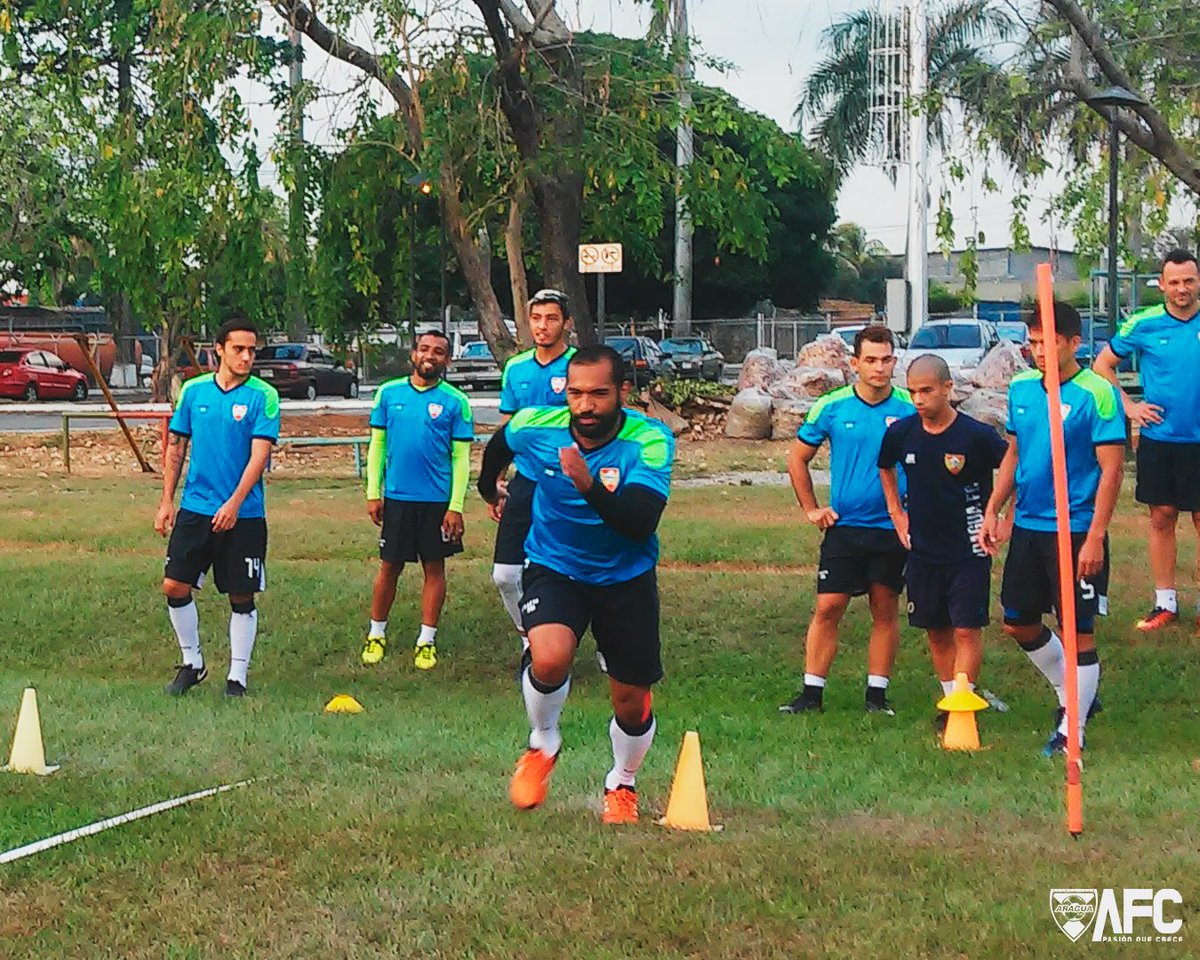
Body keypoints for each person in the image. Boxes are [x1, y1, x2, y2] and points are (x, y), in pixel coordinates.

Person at [477, 346, 674, 825]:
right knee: (548, 656)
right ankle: (543, 743)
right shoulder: (536, 426)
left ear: (622, 393)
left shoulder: (650, 440)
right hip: (554, 564)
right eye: (577, 393)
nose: (585, 406)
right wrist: (489, 488)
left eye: (598, 395)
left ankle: (621, 783)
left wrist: (588, 485)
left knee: (631, 700)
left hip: (624, 577)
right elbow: (499, 447)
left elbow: (640, 522)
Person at [980, 301, 1124, 755]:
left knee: (1076, 627)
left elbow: (1112, 469)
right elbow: (1014, 454)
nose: (1039, 352)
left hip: (1076, 526)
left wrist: (1095, 536)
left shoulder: (1095, 392)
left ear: (1073, 343)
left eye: (1049, 343)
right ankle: (1074, 695)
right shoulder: (1023, 389)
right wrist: (993, 509)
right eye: (1034, 343)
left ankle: (1071, 733)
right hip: (1029, 524)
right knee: (1018, 621)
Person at [779, 326, 914, 716]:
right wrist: (812, 508)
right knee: (828, 606)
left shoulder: (908, 408)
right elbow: (796, 459)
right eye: (870, 360)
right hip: (845, 529)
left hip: (892, 529)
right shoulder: (832, 406)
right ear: (854, 364)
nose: (879, 368)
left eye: (886, 359)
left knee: (884, 607)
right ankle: (811, 694)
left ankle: (876, 697)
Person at [878, 354, 1008, 734]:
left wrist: (1000, 516)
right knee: (936, 629)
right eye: (912, 392)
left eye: (927, 391)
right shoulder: (901, 433)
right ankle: (952, 696)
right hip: (923, 550)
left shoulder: (976, 436)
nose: (918, 400)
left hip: (969, 548)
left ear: (948, 389)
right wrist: (896, 514)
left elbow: (1013, 471)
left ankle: (962, 703)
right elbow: (885, 467)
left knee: (966, 628)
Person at [155, 316, 280, 698]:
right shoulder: (194, 392)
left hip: (243, 514)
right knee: (174, 585)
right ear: (219, 351)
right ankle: (192, 662)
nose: (246, 357)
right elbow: (176, 447)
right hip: (196, 509)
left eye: (251, 350)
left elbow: (259, 457)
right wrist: (166, 502)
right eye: (239, 349)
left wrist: (234, 503)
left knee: (240, 595)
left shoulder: (263, 396)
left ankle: (237, 676)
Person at [1093, 248, 1200, 631]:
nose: (1182, 288)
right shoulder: (1144, 324)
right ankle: (1165, 602)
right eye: (1174, 282)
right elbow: (1102, 365)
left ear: (1198, 280)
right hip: (1160, 438)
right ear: (1163, 285)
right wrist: (1129, 407)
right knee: (1162, 515)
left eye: (1188, 280)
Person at [361, 330, 473, 670]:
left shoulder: (456, 402)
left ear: (447, 360)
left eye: (439, 351)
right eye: (424, 349)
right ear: (413, 354)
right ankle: (376, 633)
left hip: (437, 502)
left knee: (434, 568)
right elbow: (378, 446)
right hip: (397, 498)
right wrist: (372, 492)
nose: (430, 355)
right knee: (389, 567)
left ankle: (426, 640)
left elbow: (461, 457)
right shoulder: (388, 393)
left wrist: (455, 506)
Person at [491, 289, 576, 670]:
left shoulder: (580, 367)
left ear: (567, 324)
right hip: (526, 481)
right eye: (536, 318)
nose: (542, 326)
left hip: (571, 483)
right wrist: (495, 479)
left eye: (551, 318)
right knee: (506, 575)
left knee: (583, 566)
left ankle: (604, 637)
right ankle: (531, 639)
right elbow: (508, 431)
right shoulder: (516, 368)